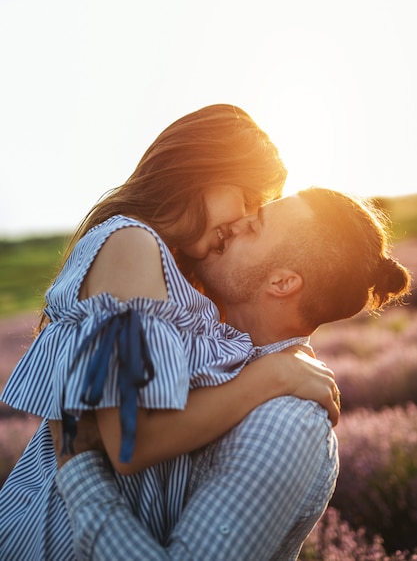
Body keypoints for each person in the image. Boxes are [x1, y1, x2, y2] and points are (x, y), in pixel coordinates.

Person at [0, 105, 339, 561]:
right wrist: (271, 378)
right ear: (204, 170)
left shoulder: (170, 270)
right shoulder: (130, 244)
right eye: (247, 199)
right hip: (56, 534)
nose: (242, 222)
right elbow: (130, 440)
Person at [52, 187, 411, 561]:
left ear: (283, 283)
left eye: (254, 228)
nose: (235, 224)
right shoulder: (212, 359)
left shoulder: (285, 422)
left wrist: (80, 472)